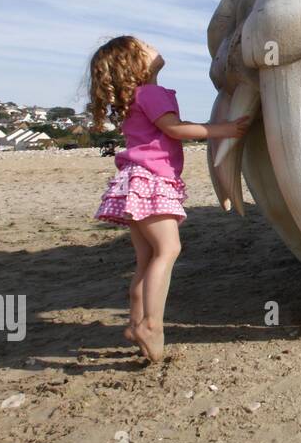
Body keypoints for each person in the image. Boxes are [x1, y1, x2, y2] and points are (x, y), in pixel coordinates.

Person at [88, 36, 250, 363]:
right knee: (168, 249)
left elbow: (169, 129)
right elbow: (175, 130)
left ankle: (136, 321)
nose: (153, 46)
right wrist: (226, 129)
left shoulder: (137, 98)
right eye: (144, 45)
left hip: (134, 181)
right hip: (151, 182)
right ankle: (151, 324)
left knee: (146, 258)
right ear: (134, 62)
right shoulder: (150, 94)